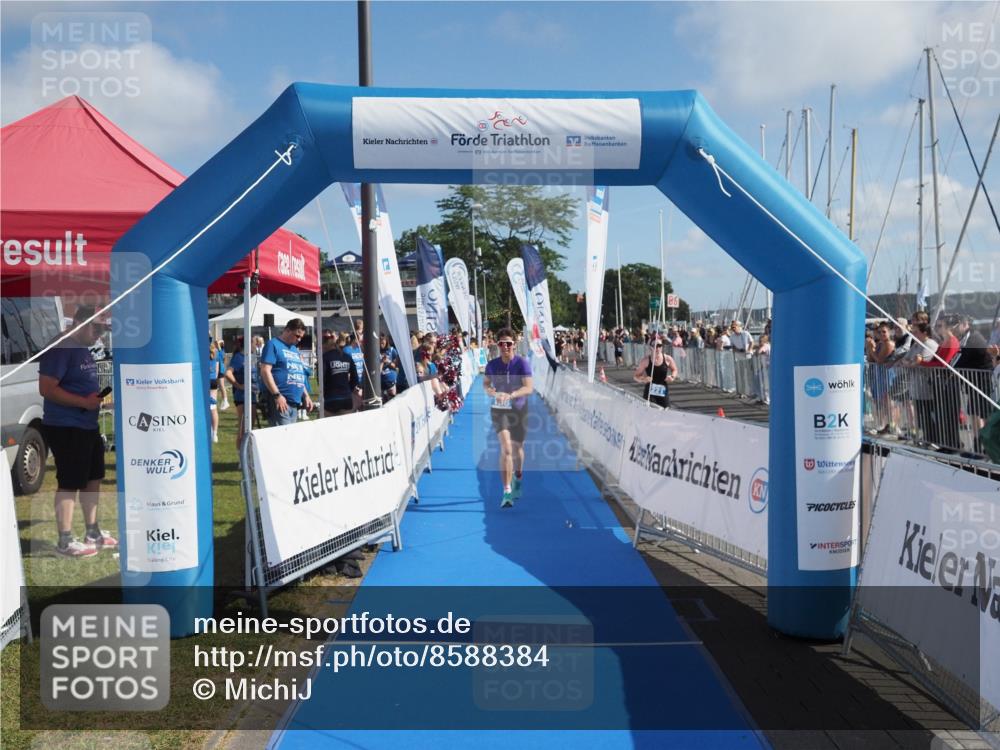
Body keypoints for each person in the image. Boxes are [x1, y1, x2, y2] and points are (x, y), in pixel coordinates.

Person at [38, 305, 117, 557]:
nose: (100, 336)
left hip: (86, 425)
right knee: (70, 482)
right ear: (81, 323)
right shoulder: (63, 348)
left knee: (93, 478)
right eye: (97, 329)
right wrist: (84, 402)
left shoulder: (81, 348)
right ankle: (65, 541)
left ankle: (92, 531)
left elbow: (77, 385)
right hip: (66, 426)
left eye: (103, 331)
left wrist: (97, 400)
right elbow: (47, 388)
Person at [483, 328, 534, 509]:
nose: (505, 347)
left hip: (519, 409)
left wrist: (511, 395)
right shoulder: (492, 365)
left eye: (509, 343)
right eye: (501, 344)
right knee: (506, 449)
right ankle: (506, 491)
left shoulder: (522, 363)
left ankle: (518, 476)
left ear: (514, 344)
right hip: (499, 410)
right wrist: (491, 392)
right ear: (497, 345)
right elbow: (486, 384)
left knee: (517, 449)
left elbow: (529, 388)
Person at [260, 318, 313, 426]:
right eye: (297, 336)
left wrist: (306, 395)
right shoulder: (273, 344)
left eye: (301, 337)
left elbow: (297, 373)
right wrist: (277, 395)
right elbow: (265, 370)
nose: (299, 340)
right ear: (287, 330)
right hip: (280, 400)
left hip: (294, 402)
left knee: (290, 438)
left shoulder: (294, 349)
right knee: (283, 437)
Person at [225, 335, 259, 453]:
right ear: (249, 344)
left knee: (250, 426)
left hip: (252, 395)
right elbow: (228, 373)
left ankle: (247, 453)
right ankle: (241, 455)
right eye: (255, 343)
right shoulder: (239, 358)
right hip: (242, 396)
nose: (256, 345)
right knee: (243, 426)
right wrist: (239, 386)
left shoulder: (250, 357)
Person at [633, 336, 678, 408]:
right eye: (655, 346)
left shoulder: (667, 358)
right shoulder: (646, 360)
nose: (657, 348)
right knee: (650, 413)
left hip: (663, 391)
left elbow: (675, 370)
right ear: (651, 347)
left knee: (666, 412)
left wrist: (672, 377)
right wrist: (643, 379)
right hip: (650, 393)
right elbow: (635, 376)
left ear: (662, 347)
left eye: (659, 346)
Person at [323, 332, 360, 416]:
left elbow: (321, 379)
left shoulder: (325, 357)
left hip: (330, 398)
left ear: (325, 345)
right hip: (346, 398)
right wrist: (348, 389)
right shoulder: (347, 357)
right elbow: (355, 378)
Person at [208, 338, 221, 443]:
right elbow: (217, 370)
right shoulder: (215, 352)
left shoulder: (201, 350)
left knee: (204, 407)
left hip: (205, 381)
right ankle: (214, 433)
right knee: (213, 408)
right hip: (213, 381)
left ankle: (210, 431)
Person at [379, 333, 400, 400]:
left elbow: (396, 366)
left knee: (392, 400)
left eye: (383, 342)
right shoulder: (375, 351)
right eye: (379, 342)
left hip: (390, 380)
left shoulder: (392, 350)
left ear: (386, 341)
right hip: (379, 382)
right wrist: (382, 362)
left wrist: (388, 362)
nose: (381, 344)